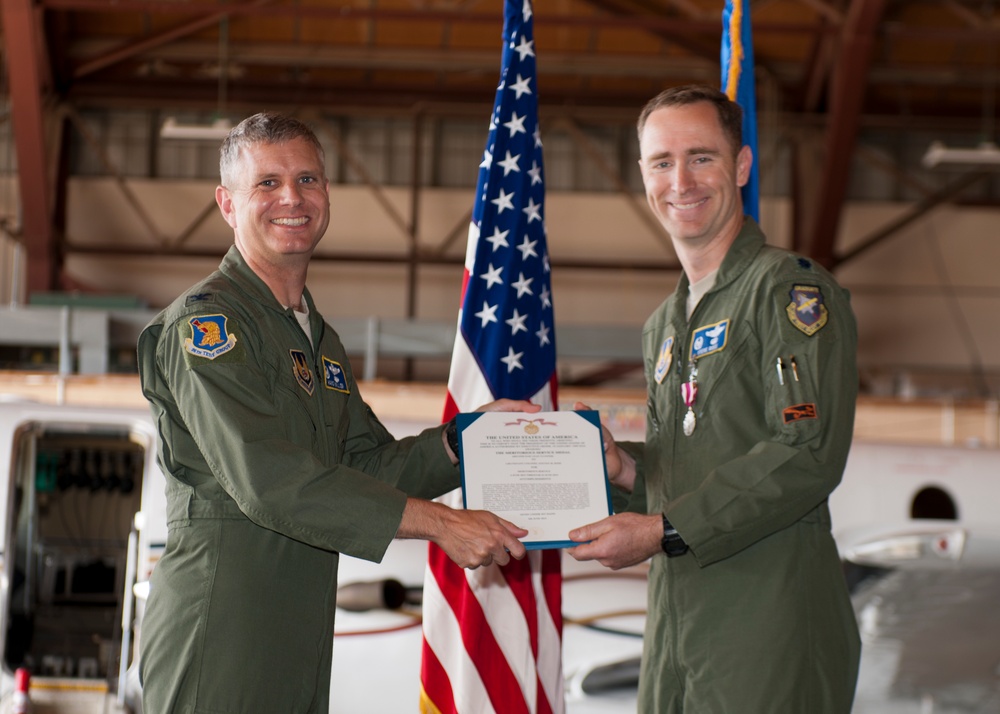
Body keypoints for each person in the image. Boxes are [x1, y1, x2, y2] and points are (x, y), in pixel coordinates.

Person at [136, 112, 537, 713]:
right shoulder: (209, 324)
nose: (291, 198)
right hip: (224, 619)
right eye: (266, 184)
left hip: (295, 624)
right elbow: (268, 479)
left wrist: (467, 442)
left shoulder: (315, 338)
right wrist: (439, 523)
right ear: (226, 203)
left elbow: (364, 465)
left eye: (308, 180)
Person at [568, 85, 861, 713]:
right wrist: (628, 469)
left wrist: (663, 529)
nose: (681, 180)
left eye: (701, 157)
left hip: (768, 623)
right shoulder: (664, 325)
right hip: (677, 627)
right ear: (643, 175)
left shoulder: (787, 291)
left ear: (742, 166)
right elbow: (701, 457)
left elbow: (806, 453)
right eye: (661, 162)